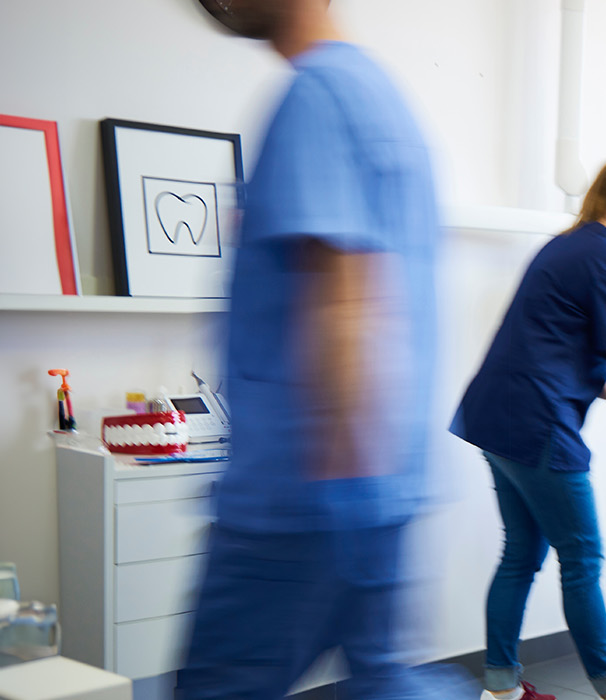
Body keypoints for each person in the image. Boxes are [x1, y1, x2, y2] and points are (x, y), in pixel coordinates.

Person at [179, 1, 456, 700]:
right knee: (381, 682)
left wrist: (342, 501)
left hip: (301, 500)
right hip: (371, 488)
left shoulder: (316, 95)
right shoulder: (378, 95)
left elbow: (348, 301)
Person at [451, 159, 606, 700]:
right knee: (582, 557)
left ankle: (501, 688)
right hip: (538, 424)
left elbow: (576, 356)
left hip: (495, 415)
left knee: (521, 554)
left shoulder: (570, 243)